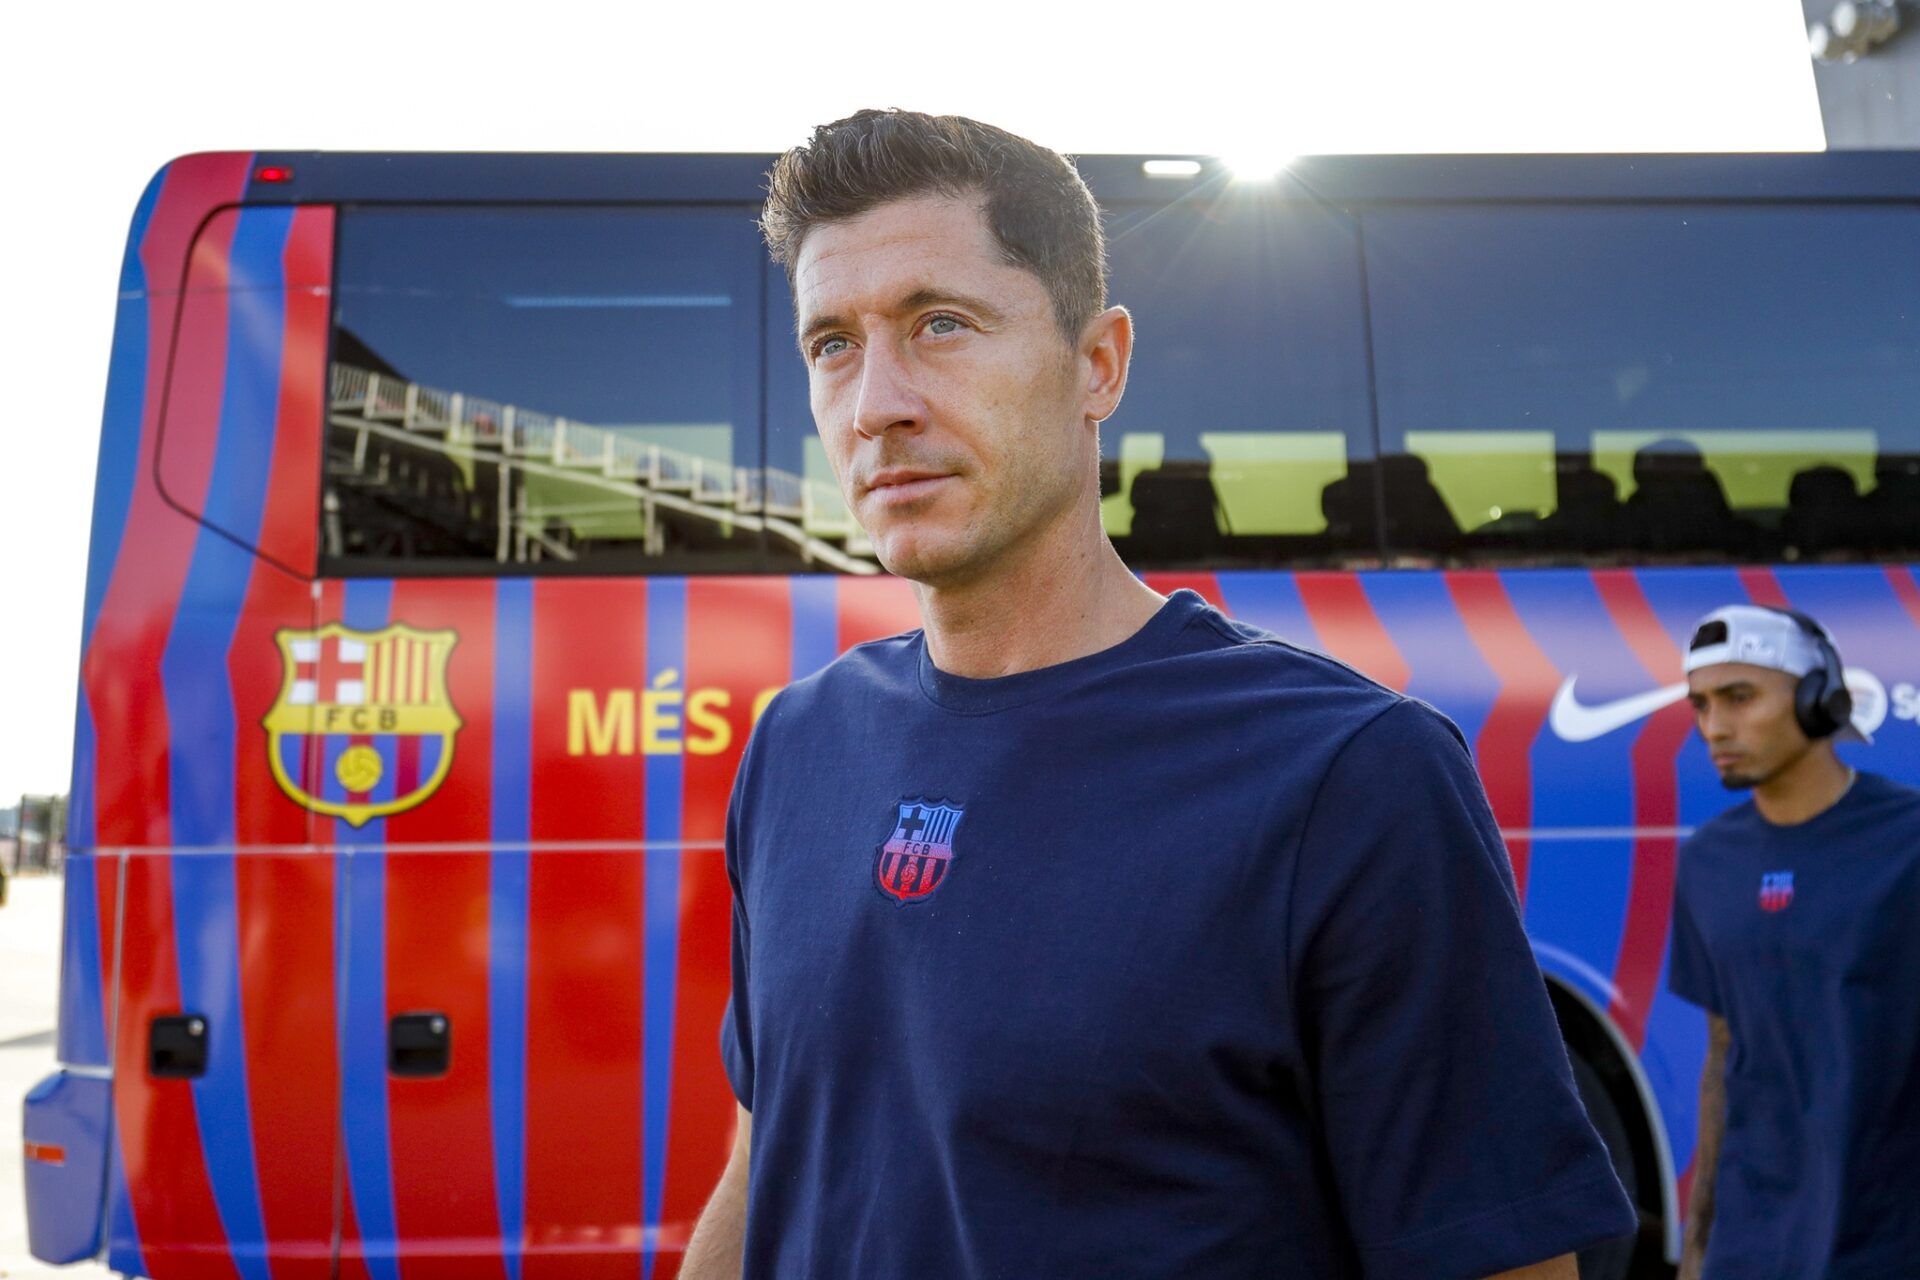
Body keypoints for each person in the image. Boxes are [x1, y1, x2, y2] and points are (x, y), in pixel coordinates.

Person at [682, 109, 1635, 1280]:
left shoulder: (1352, 774)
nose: (876, 401)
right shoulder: (798, 743)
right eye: (833, 343)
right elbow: (765, 1162)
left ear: (1099, 364)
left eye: (940, 323)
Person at [1671, 604, 1920, 1279]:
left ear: (1819, 699)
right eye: (1701, 705)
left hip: (1888, 1240)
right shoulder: (1707, 860)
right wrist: (1697, 1244)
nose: (1714, 727)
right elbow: (1723, 1052)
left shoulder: (1908, 840)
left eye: (1739, 697)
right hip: (1752, 1246)